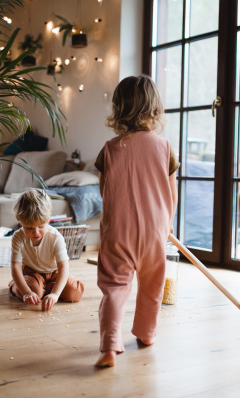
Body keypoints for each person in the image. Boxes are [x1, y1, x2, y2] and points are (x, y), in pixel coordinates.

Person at [94, 75, 179, 367]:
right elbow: (172, 194)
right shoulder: (165, 147)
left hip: (119, 231)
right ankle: (146, 333)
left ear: (119, 109)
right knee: (152, 284)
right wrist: (167, 223)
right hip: (155, 232)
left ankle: (110, 345)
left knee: (115, 287)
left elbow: (105, 192)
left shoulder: (109, 149)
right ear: (155, 109)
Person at [8, 189, 85, 312]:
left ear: (48, 220)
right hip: (32, 273)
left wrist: (55, 294)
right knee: (33, 293)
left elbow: (63, 267)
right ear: (20, 221)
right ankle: (16, 284)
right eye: (29, 227)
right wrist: (26, 292)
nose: (36, 232)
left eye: (41, 226)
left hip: (55, 273)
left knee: (74, 292)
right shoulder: (18, 237)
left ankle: (47, 290)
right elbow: (15, 266)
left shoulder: (55, 237)